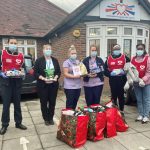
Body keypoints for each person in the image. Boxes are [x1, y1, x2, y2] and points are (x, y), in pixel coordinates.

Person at [0, 37, 27, 135]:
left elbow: (23, 68)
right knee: (6, 105)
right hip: (6, 83)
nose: (13, 44)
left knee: (17, 104)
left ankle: (18, 123)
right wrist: (1, 73)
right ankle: (4, 124)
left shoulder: (21, 55)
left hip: (17, 83)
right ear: (8, 43)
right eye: (11, 43)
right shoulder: (2, 53)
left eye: (15, 43)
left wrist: (23, 73)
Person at [34, 44, 61, 126]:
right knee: (44, 102)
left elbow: (58, 72)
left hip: (53, 85)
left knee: (52, 102)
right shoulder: (39, 61)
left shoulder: (55, 60)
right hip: (43, 85)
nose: (48, 50)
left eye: (49, 48)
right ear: (43, 50)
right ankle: (46, 118)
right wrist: (43, 78)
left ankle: (50, 117)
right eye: (46, 48)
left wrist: (56, 77)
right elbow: (35, 72)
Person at [104, 44, 130, 115]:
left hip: (122, 79)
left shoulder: (125, 58)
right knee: (113, 96)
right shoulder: (108, 58)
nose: (117, 50)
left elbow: (130, 68)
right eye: (115, 49)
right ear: (113, 50)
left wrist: (124, 71)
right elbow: (105, 70)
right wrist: (110, 73)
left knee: (121, 96)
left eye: (118, 49)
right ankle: (114, 111)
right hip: (113, 80)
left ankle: (121, 111)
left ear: (120, 50)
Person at [131, 44, 150, 123]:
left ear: (144, 49)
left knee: (146, 99)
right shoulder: (133, 59)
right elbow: (131, 71)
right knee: (139, 99)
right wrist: (133, 79)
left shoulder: (147, 59)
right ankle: (141, 114)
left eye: (141, 49)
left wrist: (143, 80)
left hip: (146, 83)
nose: (139, 50)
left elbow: (148, 72)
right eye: (138, 49)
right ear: (136, 49)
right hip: (136, 83)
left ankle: (146, 116)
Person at [63, 45, 82, 109]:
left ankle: (73, 117)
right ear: (69, 54)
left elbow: (81, 71)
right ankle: (68, 117)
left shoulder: (78, 62)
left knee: (75, 102)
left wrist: (83, 74)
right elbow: (65, 73)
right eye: (72, 53)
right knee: (69, 103)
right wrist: (75, 76)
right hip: (69, 86)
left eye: (75, 53)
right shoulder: (66, 62)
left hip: (78, 85)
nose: (74, 54)